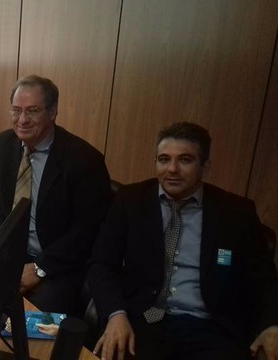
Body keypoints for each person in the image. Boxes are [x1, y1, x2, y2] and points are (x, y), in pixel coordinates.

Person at [88, 122, 278, 360]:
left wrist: (272, 325)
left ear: (205, 167)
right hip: (147, 316)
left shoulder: (236, 213)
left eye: (185, 160)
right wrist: (116, 314)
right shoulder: (130, 200)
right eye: (164, 159)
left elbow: (265, 280)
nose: (172, 169)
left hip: (211, 325)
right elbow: (102, 264)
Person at [0, 75, 112, 316]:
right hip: (8, 253)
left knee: (31, 323)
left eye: (33, 111)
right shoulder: (2, 144)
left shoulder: (84, 160)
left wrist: (40, 268)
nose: (23, 120)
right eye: (16, 110)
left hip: (57, 265)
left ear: (53, 112)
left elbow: (87, 231)